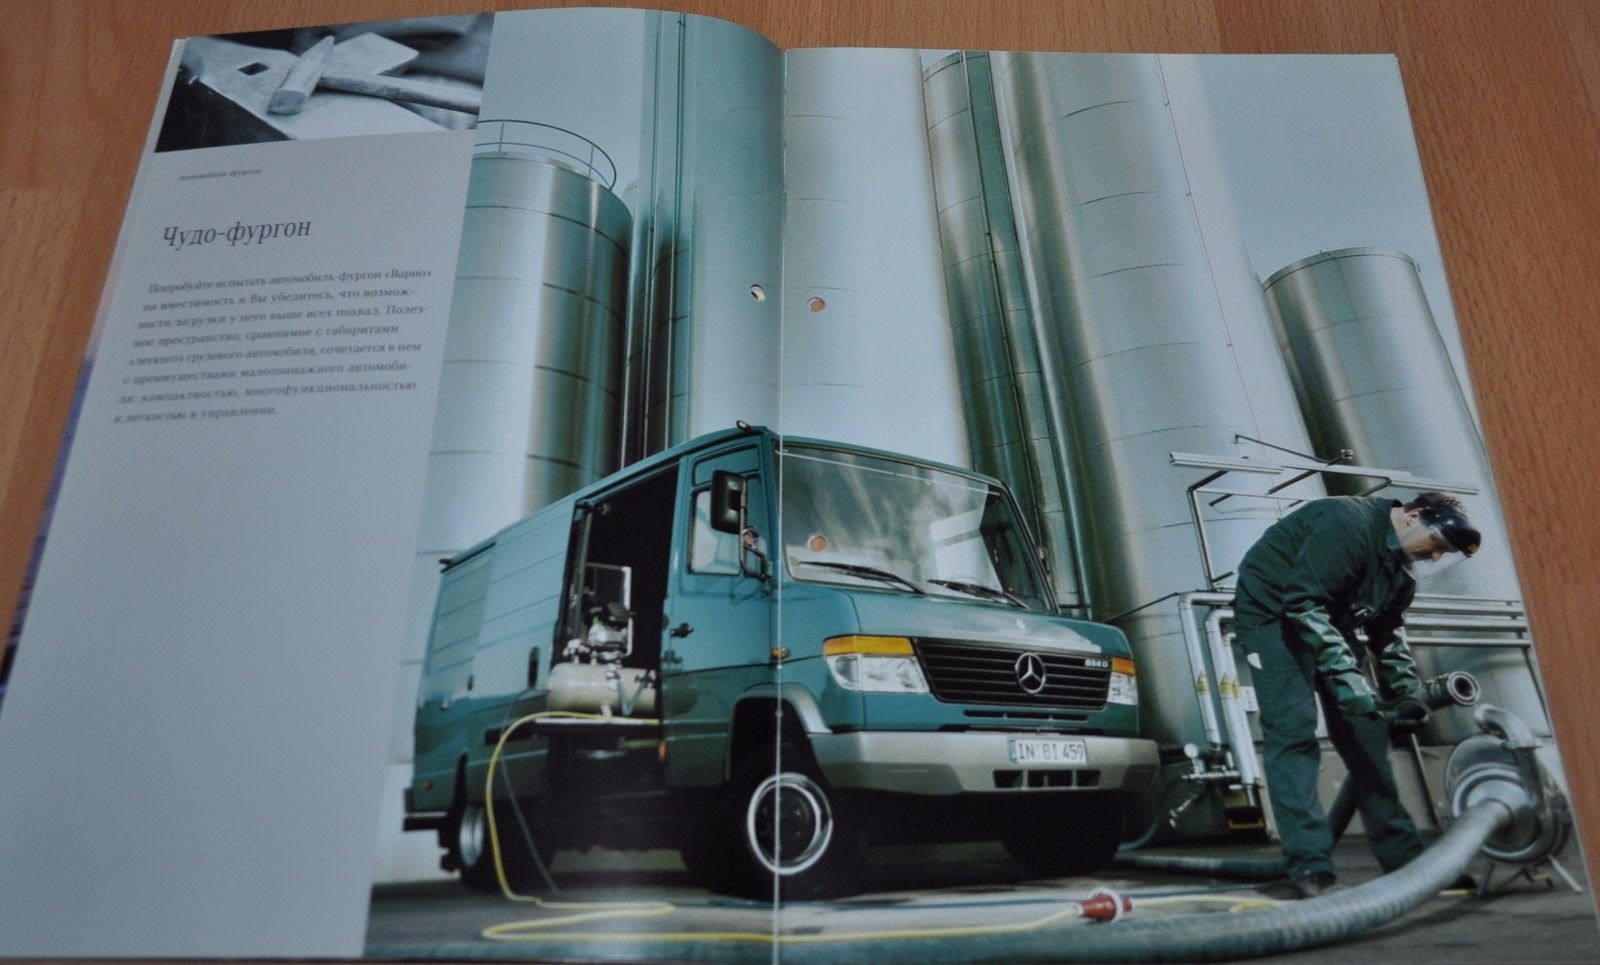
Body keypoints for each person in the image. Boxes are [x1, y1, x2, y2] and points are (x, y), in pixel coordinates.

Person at [1231, 491, 1480, 898]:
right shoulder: (1347, 525)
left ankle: (1404, 861)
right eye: (1436, 544)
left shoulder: (1403, 567)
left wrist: (1407, 693)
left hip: (1327, 616)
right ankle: (1309, 867)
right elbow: (1303, 601)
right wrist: (1348, 680)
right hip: (1273, 614)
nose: (1435, 557)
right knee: (1293, 731)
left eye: (1444, 553)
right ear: (1414, 516)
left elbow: (1386, 632)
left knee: (1367, 732)